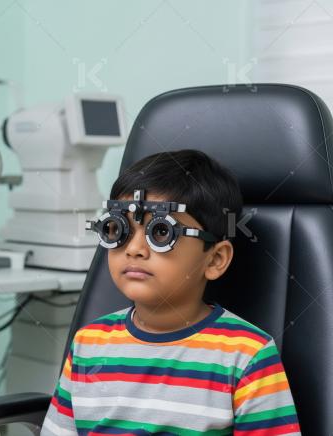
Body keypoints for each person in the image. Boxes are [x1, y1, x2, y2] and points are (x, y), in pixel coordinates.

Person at [41, 150, 301, 435]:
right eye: (119, 229)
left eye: (161, 233)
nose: (134, 249)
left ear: (214, 260)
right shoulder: (88, 345)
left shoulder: (246, 355)